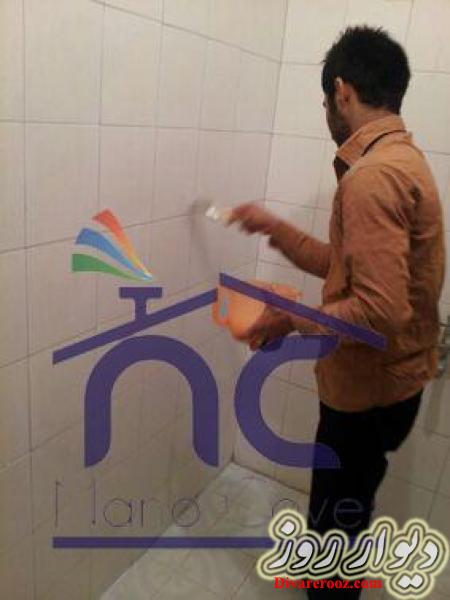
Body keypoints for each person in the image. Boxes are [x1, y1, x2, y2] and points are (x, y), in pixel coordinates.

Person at [229, 26, 445, 598]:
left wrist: (289, 319)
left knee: (334, 529)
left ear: (342, 91)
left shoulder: (371, 178)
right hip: (389, 389)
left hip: (366, 396)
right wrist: (275, 229)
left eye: (327, 99)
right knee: (345, 517)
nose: (327, 111)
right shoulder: (402, 161)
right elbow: (349, 267)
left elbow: (377, 310)